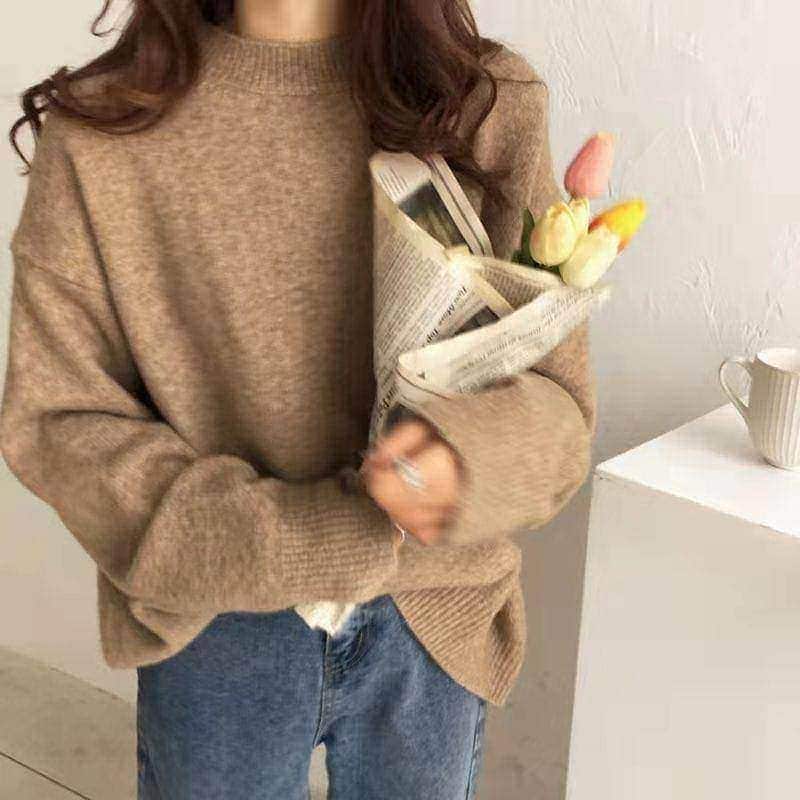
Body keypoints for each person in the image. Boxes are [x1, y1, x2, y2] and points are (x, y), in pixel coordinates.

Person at [0, 1, 596, 798]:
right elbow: (57, 421)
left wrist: (461, 463)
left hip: (433, 619)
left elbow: (559, 403)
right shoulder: (101, 133)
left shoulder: (481, 104)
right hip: (214, 614)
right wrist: (321, 533)